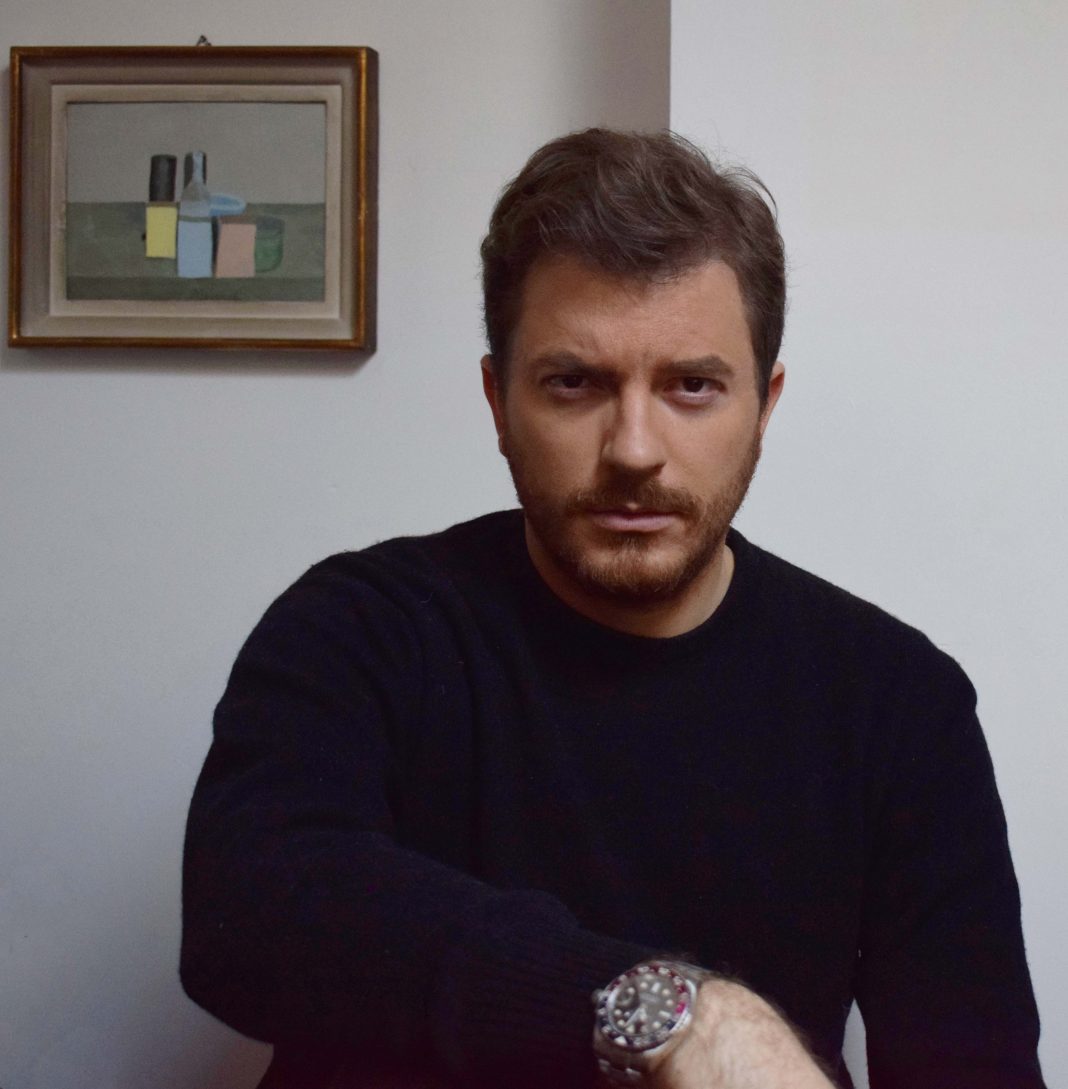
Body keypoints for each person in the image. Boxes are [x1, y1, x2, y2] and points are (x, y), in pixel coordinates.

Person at [181, 129, 1046, 1089]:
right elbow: (246, 915)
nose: (634, 448)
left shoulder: (899, 701)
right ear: (497, 401)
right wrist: (677, 1016)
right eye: (575, 383)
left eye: (692, 386)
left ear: (765, 406)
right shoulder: (363, 629)